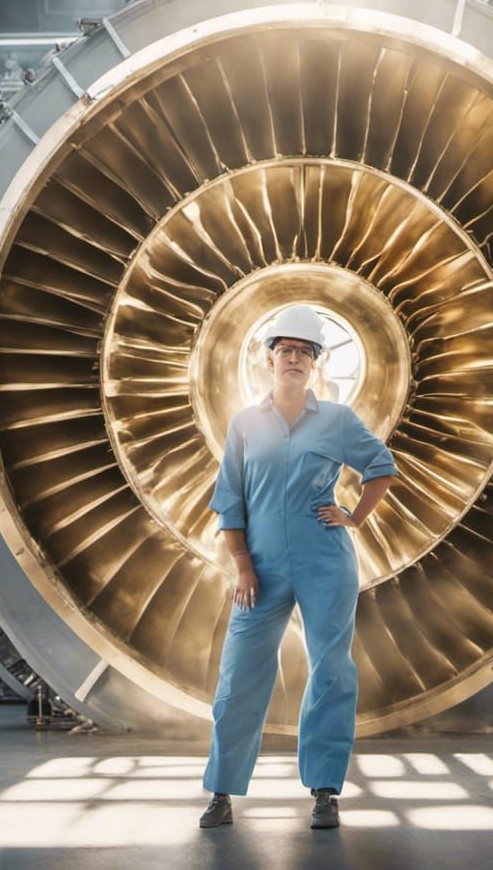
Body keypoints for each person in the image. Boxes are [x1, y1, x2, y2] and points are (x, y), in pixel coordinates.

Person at [199, 304, 398, 830]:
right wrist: (242, 565)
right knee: (240, 673)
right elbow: (230, 501)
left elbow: (381, 466)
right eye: (284, 350)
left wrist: (354, 516)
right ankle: (221, 792)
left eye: (303, 353)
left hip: (324, 561)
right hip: (259, 565)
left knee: (331, 671)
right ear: (269, 360)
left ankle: (325, 791)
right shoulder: (245, 425)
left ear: (315, 364)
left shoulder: (336, 421)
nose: (293, 359)